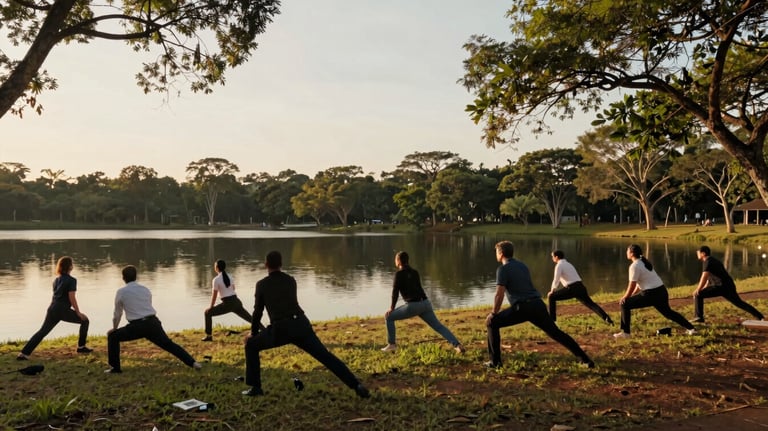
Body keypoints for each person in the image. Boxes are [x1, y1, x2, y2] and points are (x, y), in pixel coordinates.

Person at [242, 251, 370, 397]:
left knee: (251, 345)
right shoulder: (291, 280)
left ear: (266, 265)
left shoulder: (262, 285)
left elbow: (257, 312)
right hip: (301, 324)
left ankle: (256, 388)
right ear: (281, 264)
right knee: (325, 356)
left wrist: (253, 333)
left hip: (281, 328)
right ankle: (356, 385)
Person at [485, 241, 594, 369]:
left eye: (496, 252)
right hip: (537, 304)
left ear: (501, 253)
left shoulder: (502, 269)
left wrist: (493, 313)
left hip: (522, 307)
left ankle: (495, 362)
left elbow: (499, 294)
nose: (496, 254)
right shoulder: (522, 266)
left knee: (492, 322)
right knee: (556, 333)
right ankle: (585, 360)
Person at [105, 265, 201, 373]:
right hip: (152, 322)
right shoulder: (145, 289)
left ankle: (115, 368)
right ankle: (193, 363)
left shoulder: (121, 292)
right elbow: (147, 306)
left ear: (123, 278)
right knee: (169, 344)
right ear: (136, 276)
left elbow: (117, 313)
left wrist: (114, 328)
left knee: (113, 337)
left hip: (136, 326)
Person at [381, 251, 465, 353]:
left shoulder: (399, 274)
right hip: (425, 304)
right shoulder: (415, 272)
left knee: (389, 317)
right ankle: (457, 345)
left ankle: (391, 345)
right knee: (438, 326)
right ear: (408, 261)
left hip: (413, 306)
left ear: (398, 261)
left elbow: (395, 293)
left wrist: (392, 308)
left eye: (395, 259)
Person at [17, 256, 93, 360]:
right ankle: (81, 347)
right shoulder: (72, 280)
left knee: (42, 331)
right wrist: (78, 312)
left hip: (52, 308)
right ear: (70, 266)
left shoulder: (56, 280)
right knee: (85, 320)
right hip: (62, 309)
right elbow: (72, 298)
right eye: (72, 264)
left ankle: (24, 354)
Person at [614, 245, 696, 338]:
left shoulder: (634, 266)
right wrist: (631, 295)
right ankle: (691, 328)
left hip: (651, 294)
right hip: (661, 291)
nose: (626, 253)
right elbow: (638, 284)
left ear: (632, 253)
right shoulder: (643, 262)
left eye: (627, 251)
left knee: (625, 304)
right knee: (668, 313)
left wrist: (625, 297)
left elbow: (632, 284)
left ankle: (626, 333)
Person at [691, 245, 764, 323]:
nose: (697, 254)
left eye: (698, 252)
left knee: (698, 294)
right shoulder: (711, 260)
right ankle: (760, 317)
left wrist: (698, 289)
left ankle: (699, 317)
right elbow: (709, 279)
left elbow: (704, 277)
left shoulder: (708, 261)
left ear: (703, 253)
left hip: (720, 286)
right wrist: (703, 288)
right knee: (739, 303)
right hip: (727, 286)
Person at [548, 250, 613, 324]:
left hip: (572, 288)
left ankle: (552, 321)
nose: (552, 258)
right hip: (580, 287)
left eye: (552, 256)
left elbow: (556, 279)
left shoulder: (559, 265)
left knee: (551, 297)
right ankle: (607, 318)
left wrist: (552, 290)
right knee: (591, 304)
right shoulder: (568, 264)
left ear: (556, 257)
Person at [202, 259, 256, 341]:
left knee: (207, 313)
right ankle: (265, 330)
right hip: (236, 301)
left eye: (215, 266)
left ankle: (209, 336)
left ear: (216, 268)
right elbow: (233, 288)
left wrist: (211, 307)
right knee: (250, 318)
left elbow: (214, 295)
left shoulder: (216, 280)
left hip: (227, 303)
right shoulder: (230, 276)